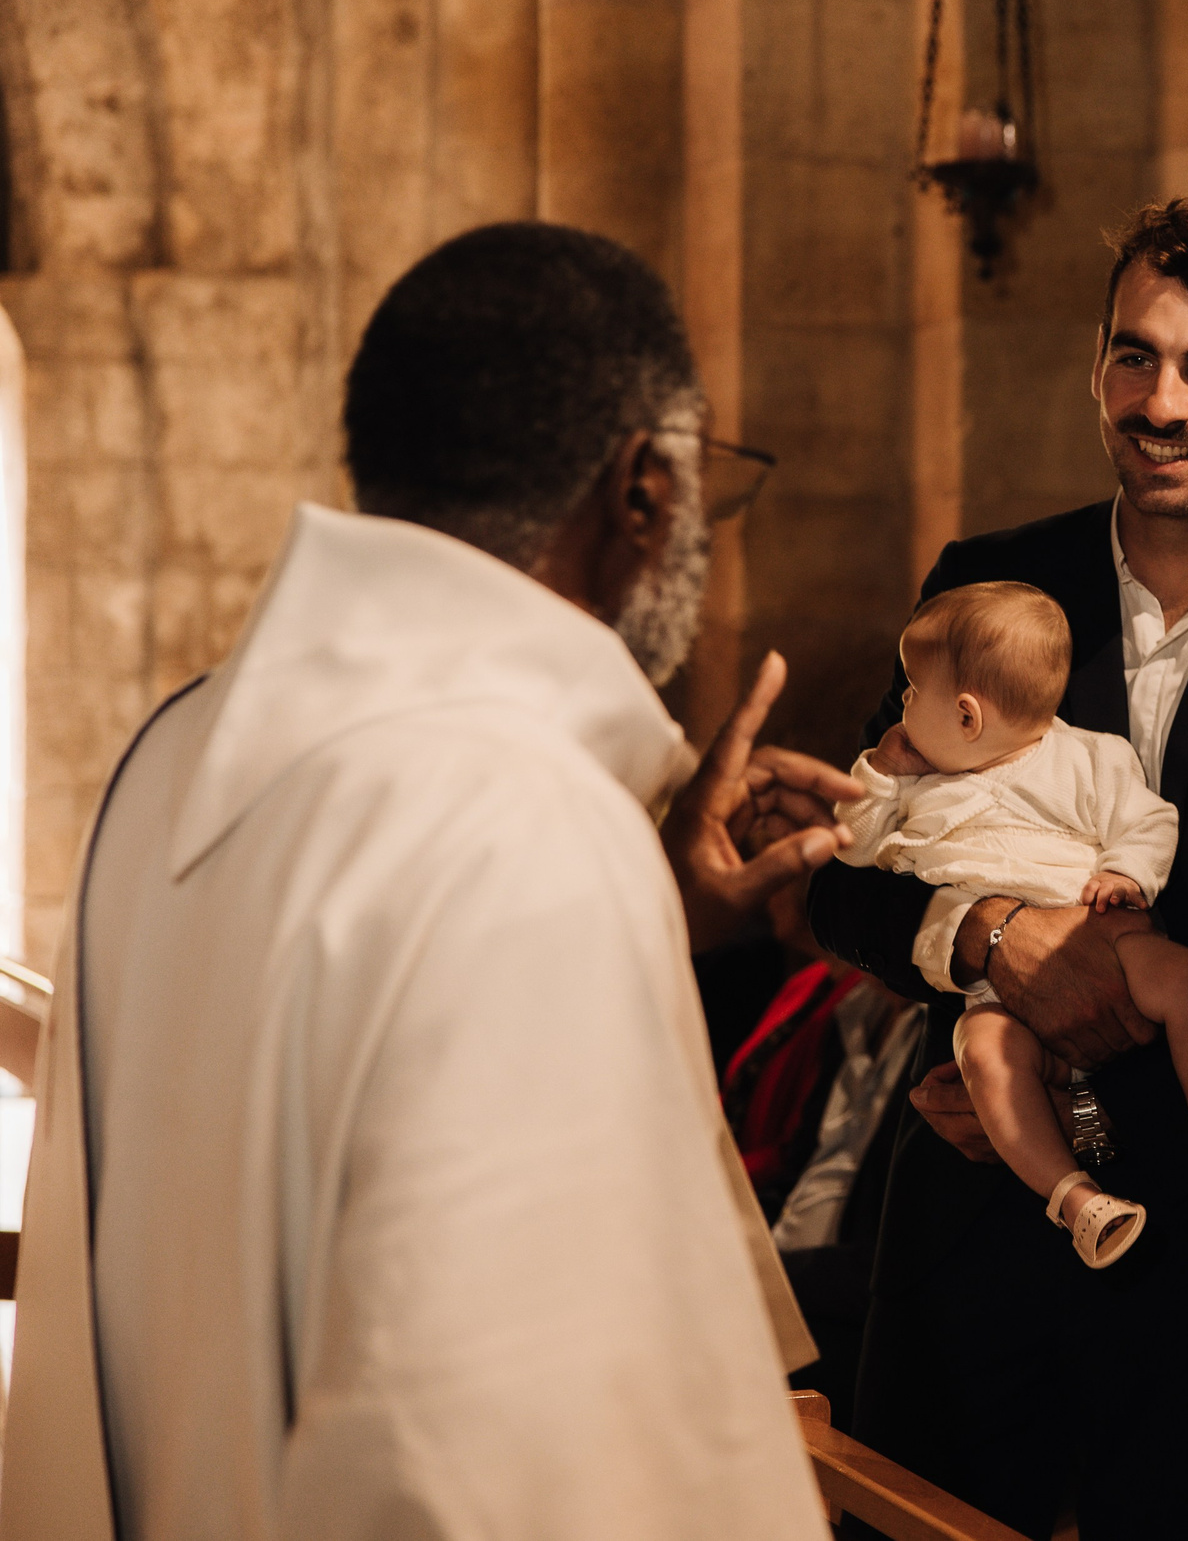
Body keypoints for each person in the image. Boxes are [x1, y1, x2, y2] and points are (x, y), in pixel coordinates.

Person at [2, 223, 868, 1540]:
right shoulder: (516, 821)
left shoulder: (174, 753)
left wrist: (654, 918)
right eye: (702, 484)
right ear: (644, 486)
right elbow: (491, 1470)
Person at [804, 199, 1188, 1541]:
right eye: (1135, 356)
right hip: (972, 1212)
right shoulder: (986, 582)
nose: (1162, 402)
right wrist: (984, 939)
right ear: (1097, 365)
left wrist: (1067, 1083)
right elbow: (847, 882)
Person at [836, 581, 1188, 1269]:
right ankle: (1074, 1195)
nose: (901, 705)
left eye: (911, 691)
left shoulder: (1088, 757)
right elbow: (848, 851)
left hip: (1103, 931)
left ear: (967, 715)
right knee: (983, 1054)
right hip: (993, 991)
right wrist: (879, 773)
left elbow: (1147, 821)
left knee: (1185, 975)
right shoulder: (915, 784)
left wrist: (1126, 873)